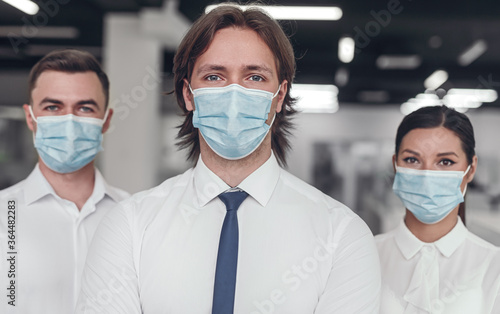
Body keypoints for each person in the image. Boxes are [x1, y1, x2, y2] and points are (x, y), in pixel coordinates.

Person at [76, 4, 380, 313]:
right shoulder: (130, 227)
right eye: (214, 77)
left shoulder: (341, 236)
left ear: (279, 96)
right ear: (188, 95)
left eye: (255, 77)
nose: (234, 93)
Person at [0, 49, 130, 314]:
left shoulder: (134, 215)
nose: (69, 120)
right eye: (52, 107)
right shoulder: (4, 214)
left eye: (84, 107)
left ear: (105, 121)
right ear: (30, 117)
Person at [375, 105, 500, 313]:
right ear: (396, 165)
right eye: (412, 159)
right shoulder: (365, 254)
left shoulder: (493, 264)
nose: (426, 175)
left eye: (445, 161)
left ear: (471, 170)